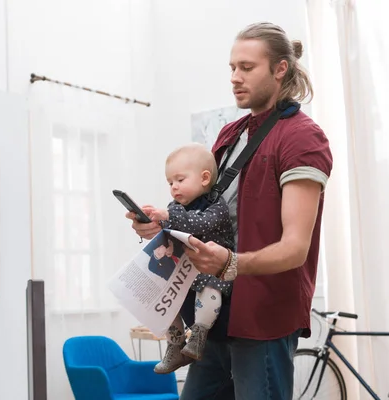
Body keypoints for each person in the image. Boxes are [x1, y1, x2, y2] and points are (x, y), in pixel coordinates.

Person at [126, 22, 333, 400]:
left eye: (247, 68)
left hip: (262, 321)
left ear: (280, 69)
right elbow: (206, 209)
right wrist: (161, 223)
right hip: (212, 320)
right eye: (232, 68)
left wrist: (230, 263)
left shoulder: (303, 138)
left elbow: (295, 248)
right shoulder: (229, 135)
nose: (235, 78)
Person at [140, 143, 235, 374]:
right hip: (185, 272)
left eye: (180, 180)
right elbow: (171, 227)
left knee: (210, 292)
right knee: (165, 298)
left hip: (211, 273)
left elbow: (200, 223)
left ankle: (199, 336)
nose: (174, 187)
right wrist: (153, 223)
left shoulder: (216, 206)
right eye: (170, 182)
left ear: (204, 178)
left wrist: (169, 216)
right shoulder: (174, 207)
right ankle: (175, 342)